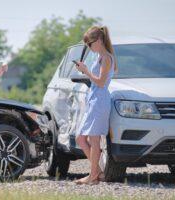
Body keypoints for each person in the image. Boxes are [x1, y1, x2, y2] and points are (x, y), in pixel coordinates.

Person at [74, 26, 117, 185]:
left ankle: (93, 176)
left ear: (99, 40)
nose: (89, 47)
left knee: (94, 139)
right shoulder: (100, 57)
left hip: (100, 101)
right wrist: (84, 70)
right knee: (80, 138)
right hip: (94, 100)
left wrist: (85, 71)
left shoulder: (106, 57)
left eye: (90, 44)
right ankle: (97, 171)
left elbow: (100, 82)